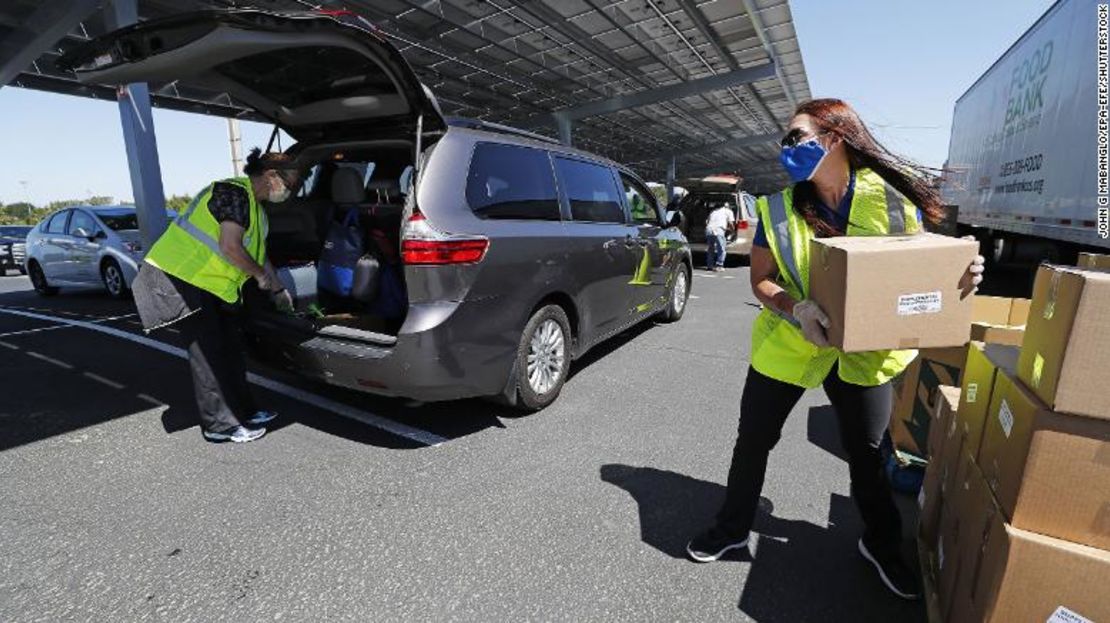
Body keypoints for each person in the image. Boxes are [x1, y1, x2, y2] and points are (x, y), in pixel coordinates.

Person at [684, 99, 985, 600]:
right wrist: (795, 308)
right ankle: (733, 527)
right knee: (753, 439)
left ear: (835, 138)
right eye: (785, 140)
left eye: (797, 136)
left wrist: (962, 274)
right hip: (793, 343)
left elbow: (927, 269)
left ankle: (882, 545)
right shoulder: (779, 209)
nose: (786, 148)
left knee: (868, 452)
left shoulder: (890, 205)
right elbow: (761, 280)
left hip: (865, 353)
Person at [132, 148, 298, 443]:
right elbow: (230, 246)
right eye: (290, 182)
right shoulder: (232, 193)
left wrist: (278, 289)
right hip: (180, 278)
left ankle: (244, 412)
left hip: (210, 285)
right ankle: (219, 426)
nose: (292, 190)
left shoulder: (256, 209)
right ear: (271, 176)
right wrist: (260, 277)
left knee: (229, 349)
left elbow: (260, 255)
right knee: (208, 356)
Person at [704, 202, 735, 271]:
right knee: (721, 248)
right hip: (719, 230)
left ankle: (709, 266)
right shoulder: (729, 211)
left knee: (710, 248)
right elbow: (730, 223)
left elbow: (707, 221)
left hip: (709, 229)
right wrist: (733, 231)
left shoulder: (713, 211)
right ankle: (719, 265)